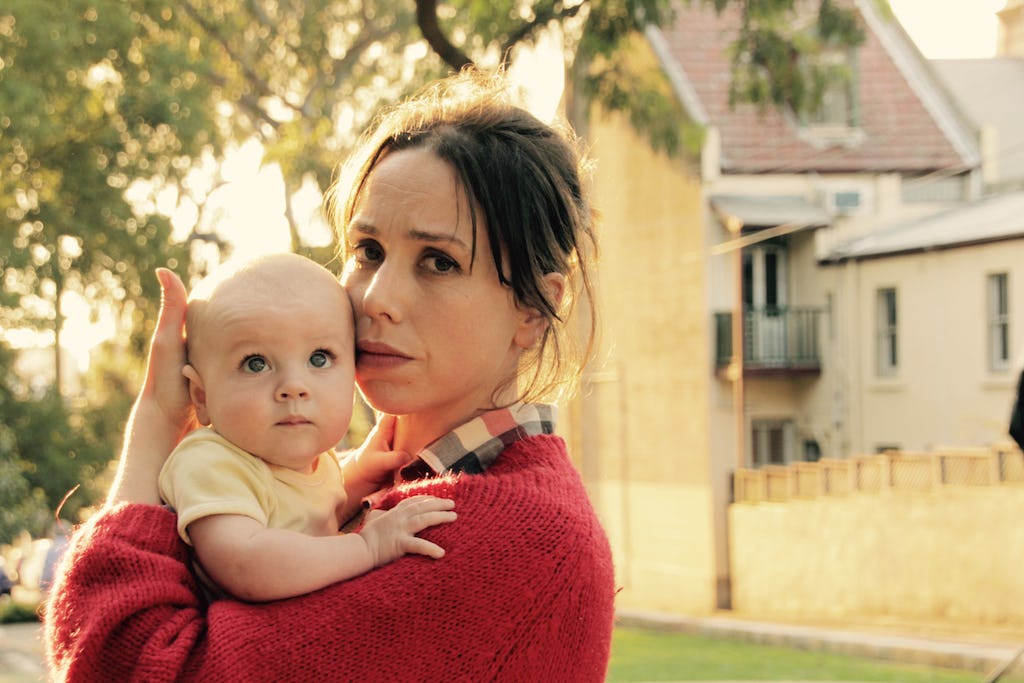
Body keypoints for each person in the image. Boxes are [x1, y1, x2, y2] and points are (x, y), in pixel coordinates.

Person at [44, 69, 615, 681]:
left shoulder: (514, 537)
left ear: (533, 310)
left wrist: (156, 427)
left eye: (439, 262)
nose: (376, 298)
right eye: (368, 251)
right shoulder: (355, 480)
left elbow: (135, 665)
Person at [158, 253, 456, 602]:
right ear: (202, 396)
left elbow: (307, 517)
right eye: (256, 363)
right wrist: (367, 546)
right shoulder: (212, 461)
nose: (294, 386)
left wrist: (359, 474)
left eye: (319, 358)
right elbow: (245, 564)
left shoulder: (316, 462)